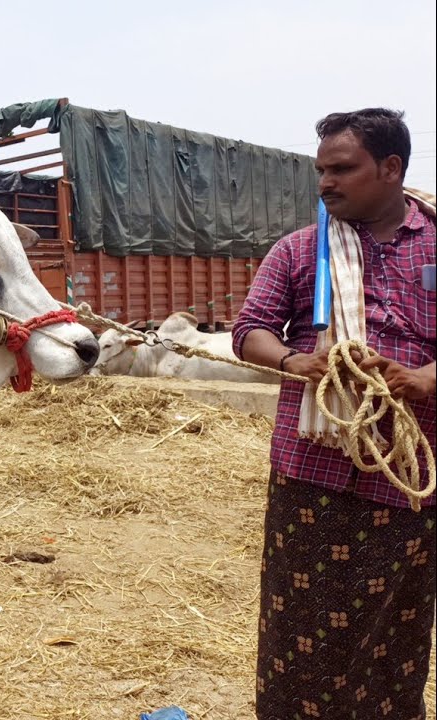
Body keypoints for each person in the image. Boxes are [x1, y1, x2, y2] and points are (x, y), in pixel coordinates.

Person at [232, 108, 435, 719]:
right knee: (298, 627)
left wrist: (425, 378)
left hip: (407, 476)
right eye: (321, 170)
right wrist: (297, 361)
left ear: (391, 168)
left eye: (342, 168)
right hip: (311, 471)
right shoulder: (300, 249)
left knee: (393, 631)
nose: (325, 182)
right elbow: (249, 331)